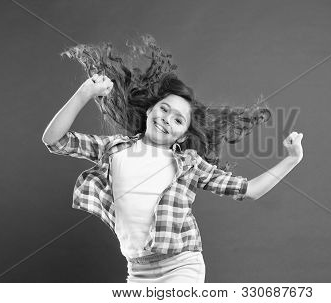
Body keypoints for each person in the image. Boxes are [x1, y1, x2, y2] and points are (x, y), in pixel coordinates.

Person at [41, 35, 304, 283]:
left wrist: (292, 159)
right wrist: (83, 94)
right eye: (163, 109)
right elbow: (54, 140)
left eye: (178, 119)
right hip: (137, 269)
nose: (167, 119)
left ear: (182, 135)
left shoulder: (189, 164)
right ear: (149, 111)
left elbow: (250, 190)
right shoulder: (114, 149)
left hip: (182, 265)